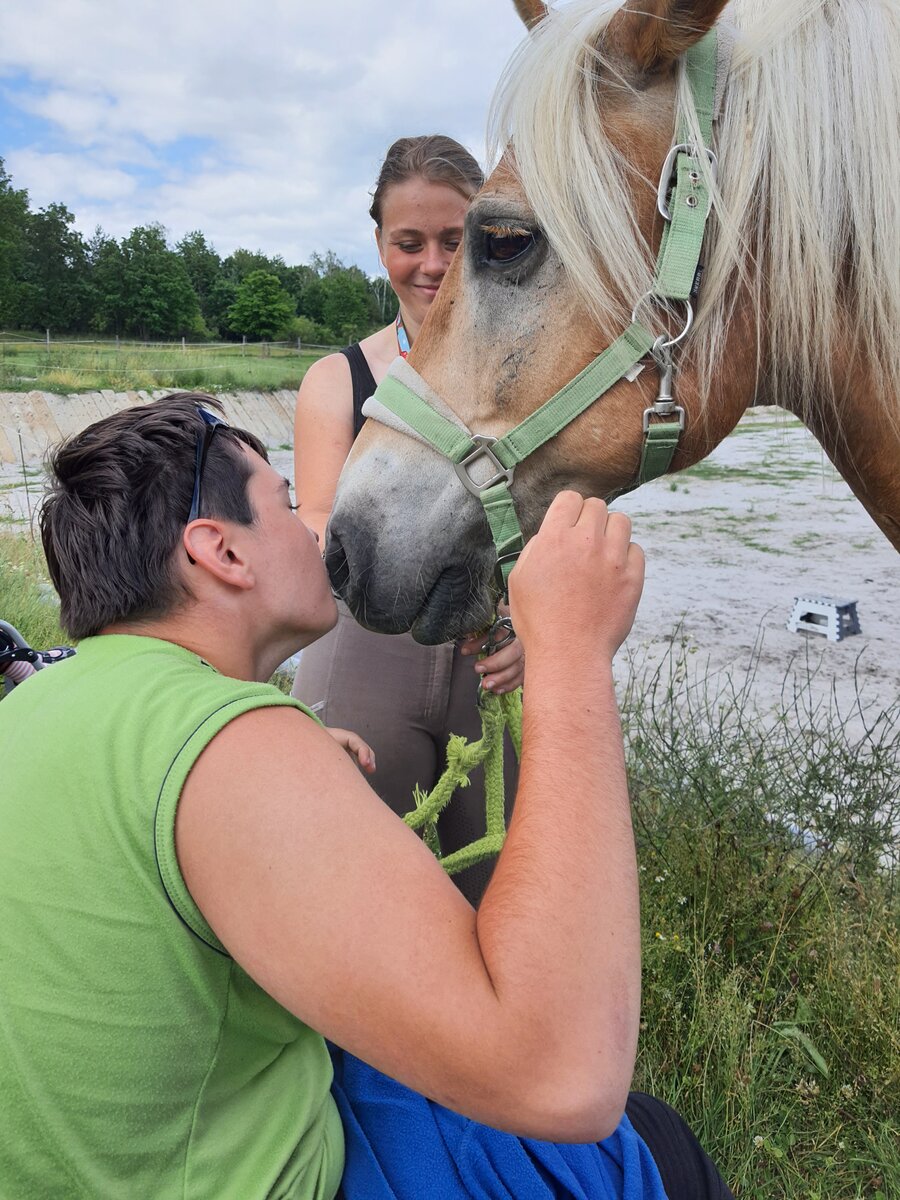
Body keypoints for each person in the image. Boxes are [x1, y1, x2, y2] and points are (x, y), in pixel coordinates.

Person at [0, 393, 735, 1199]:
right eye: (285, 503)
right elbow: (562, 1077)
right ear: (220, 552)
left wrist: (274, 777)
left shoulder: (34, 710)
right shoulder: (228, 739)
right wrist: (570, 653)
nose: (315, 531)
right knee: (652, 1144)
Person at [292, 135, 522, 907]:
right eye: (408, 242)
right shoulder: (339, 380)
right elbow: (317, 517)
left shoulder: (534, 380)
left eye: (455, 241)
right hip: (365, 653)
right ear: (380, 245)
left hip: (494, 666)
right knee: (348, 892)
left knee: (502, 898)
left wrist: (534, 635)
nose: (431, 264)